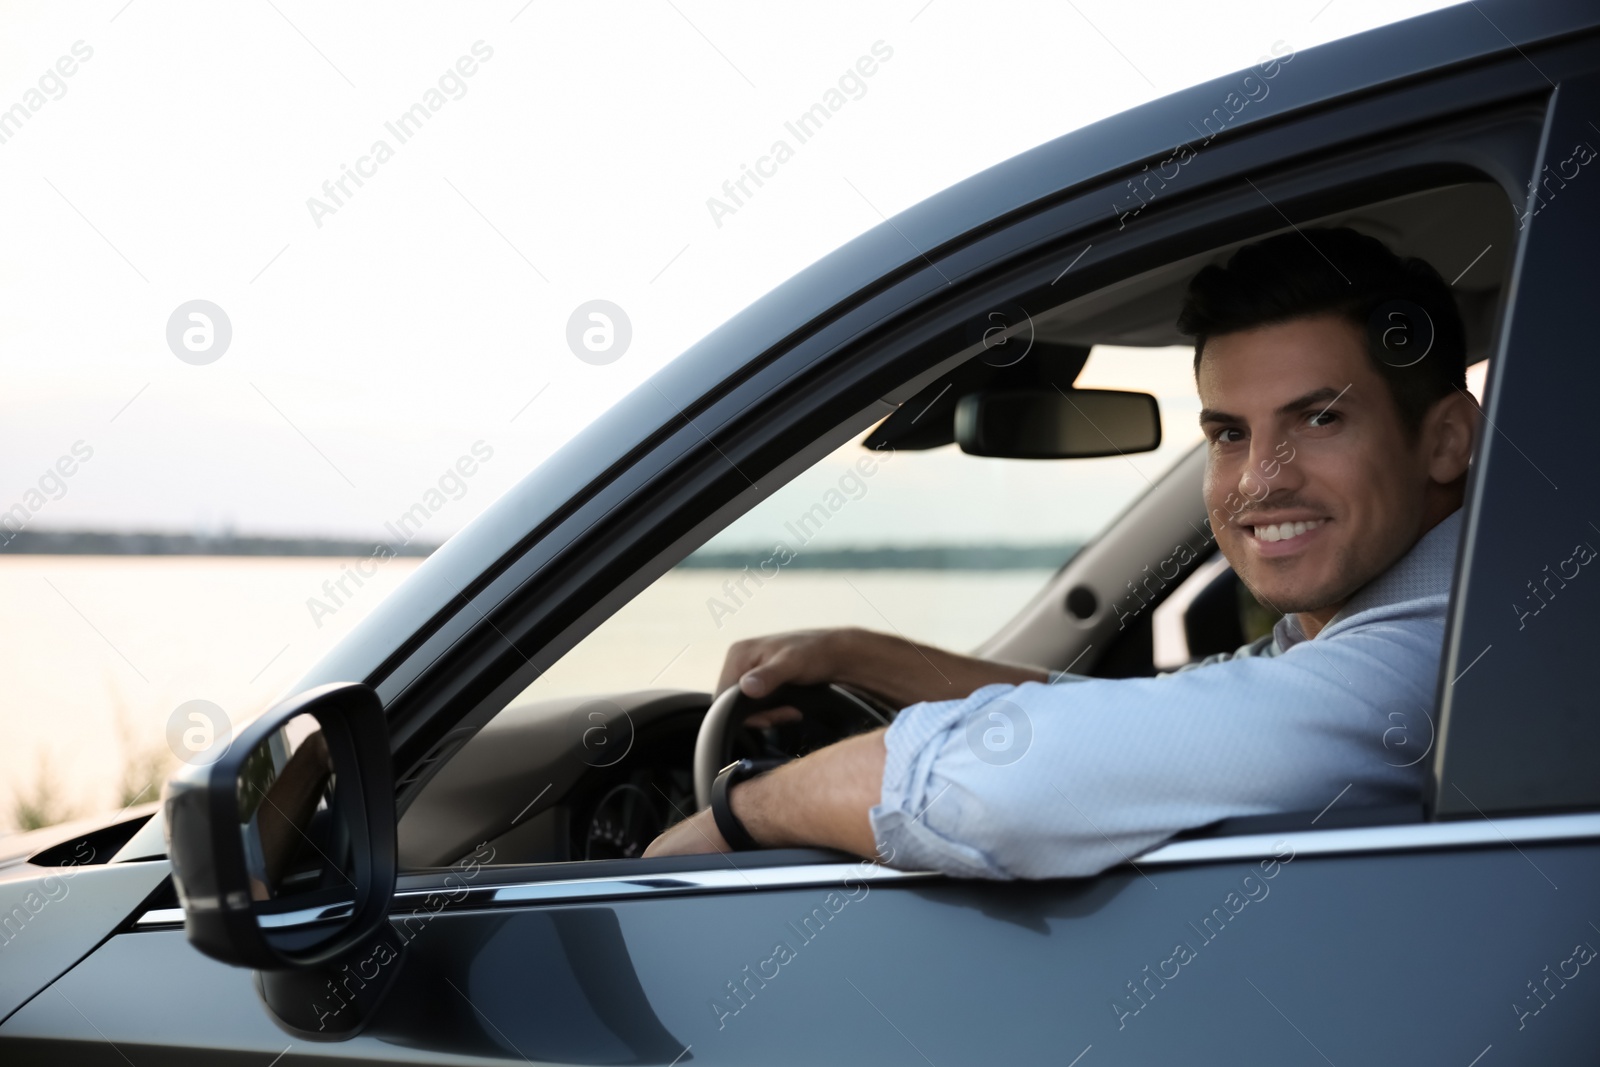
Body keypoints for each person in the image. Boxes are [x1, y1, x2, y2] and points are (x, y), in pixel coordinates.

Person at [643, 226, 1481, 878]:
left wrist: (738, 810)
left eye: (1320, 418)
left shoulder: (1428, 655)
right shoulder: (1366, 631)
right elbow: (1152, 723)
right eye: (1229, 433)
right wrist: (869, 656)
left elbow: (1005, 786)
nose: (1261, 479)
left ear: (1445, 439)